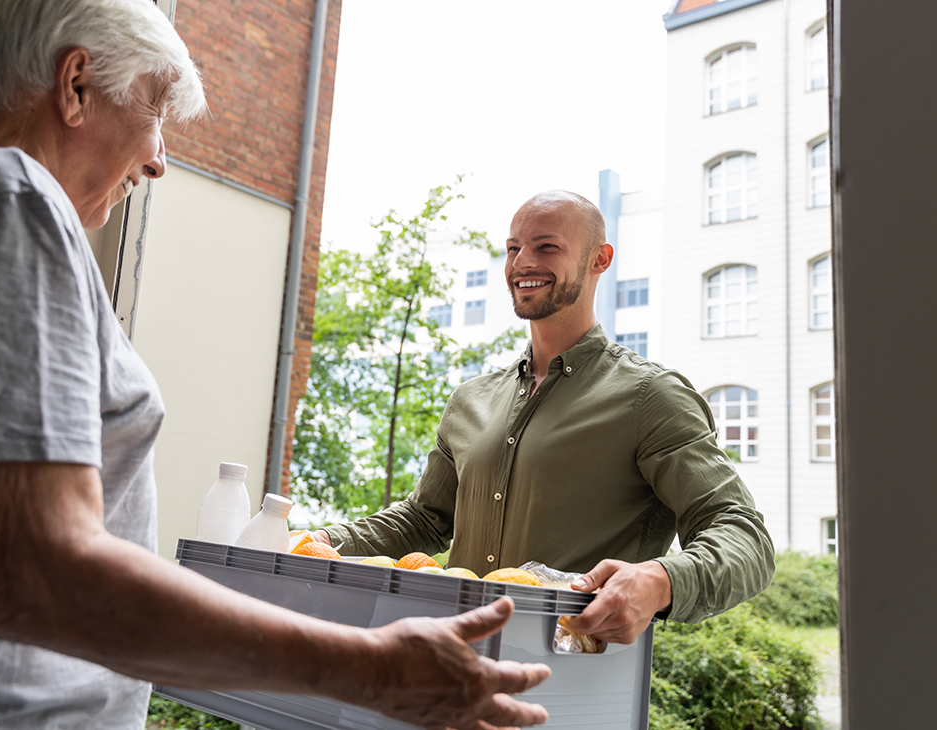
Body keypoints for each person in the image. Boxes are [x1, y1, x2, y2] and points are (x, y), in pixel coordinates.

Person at [0, 1, 552, 728]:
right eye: (154, 112)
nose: (158, 160)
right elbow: (39, 571)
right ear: (75, 86)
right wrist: (371, 668)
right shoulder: (1, 205)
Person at [318, 190, 775, 645]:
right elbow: (424, 519)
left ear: (599, 259)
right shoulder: (470, 400)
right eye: (513, 248)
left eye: (546, 246)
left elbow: (744, 537)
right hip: (446, 662)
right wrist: (318, 541)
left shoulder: (650, 397)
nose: (522, 263)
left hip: (569, 677)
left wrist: (660, 580)